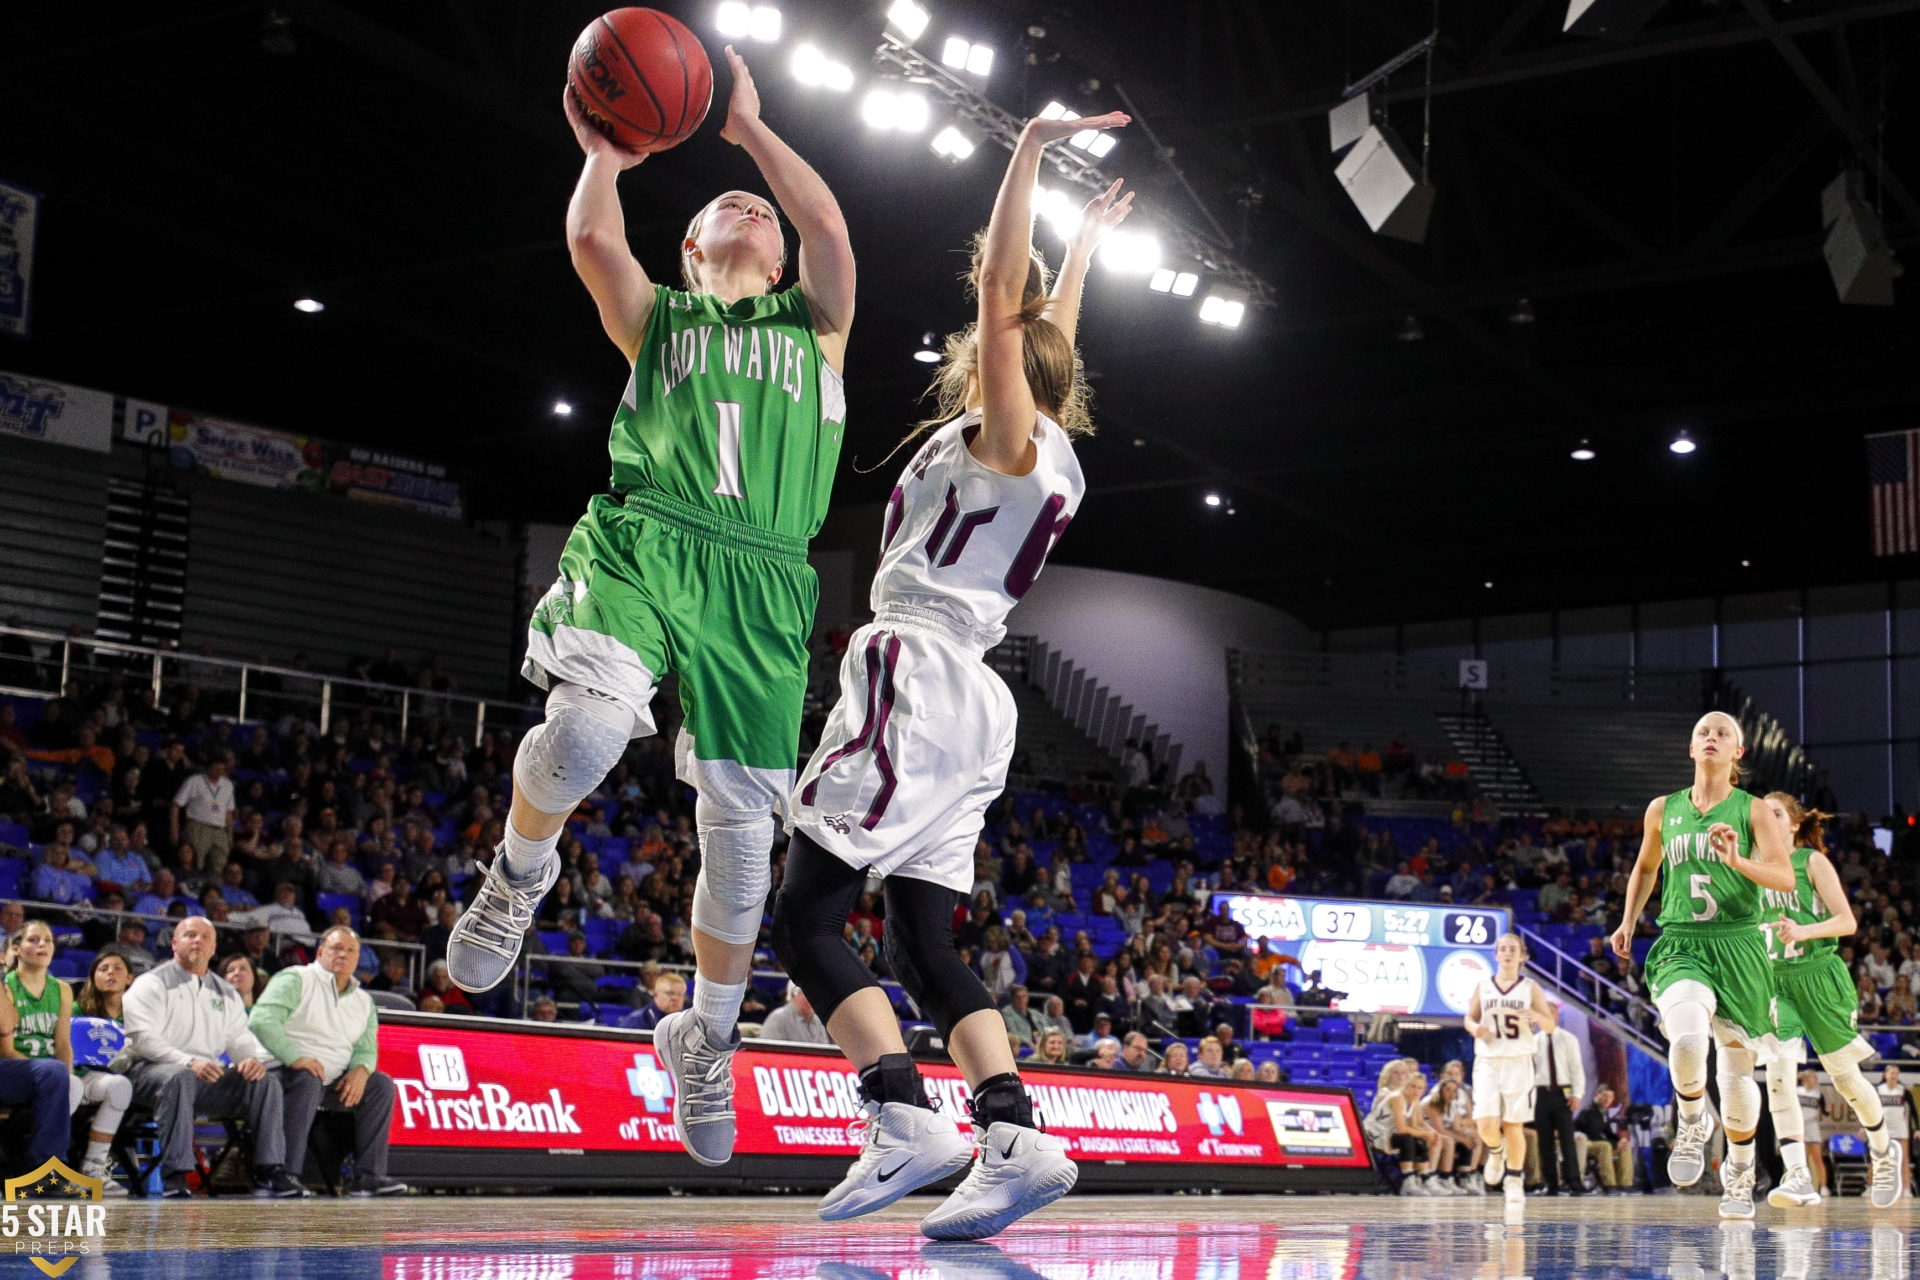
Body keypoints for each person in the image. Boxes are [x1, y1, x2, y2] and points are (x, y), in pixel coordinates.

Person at [446, 45, 858, 1178]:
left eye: (757, 210)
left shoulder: (815, 325)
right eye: (724, 205)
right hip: (650, 537)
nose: (749, 210)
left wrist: (753, 134)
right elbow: (591, 241)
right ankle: (516, 879)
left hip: (766, 580)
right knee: (581, 732)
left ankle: (707, 1041)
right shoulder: (661, 320)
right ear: (689, 246)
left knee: (740, 848)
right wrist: (601, 154)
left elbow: (827, 227)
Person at [763, 111, 1128, 1241]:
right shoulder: (1045, 443)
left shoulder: (1013, 427)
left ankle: (899, 1112)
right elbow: (1043, 314)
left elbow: (1004, 296)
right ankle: (1013, 1133)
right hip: (971, 696)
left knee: (806, 917)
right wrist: (1084, 254)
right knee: (927, 938)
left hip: (917, 670)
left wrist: (1027, 154)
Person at [1606, 711, 1800, 1218]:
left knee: (1737, 1080)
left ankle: (1739, 1172)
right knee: (1688, 1040)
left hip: (1738, 947)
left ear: (1737, 753)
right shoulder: (1661, 809)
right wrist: (1628, 920)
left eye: (1722, 734)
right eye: (1702, 733)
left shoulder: (1753, 811)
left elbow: (1784, 879)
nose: (1711, 738)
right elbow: (1647, 867)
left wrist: (1737, 862)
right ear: (1692, 749)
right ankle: (1692, 1119)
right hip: (1683, 943)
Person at [1758, 792, 1903, 1207]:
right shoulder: (1755, 868)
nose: (1767, 818)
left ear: (1794, 823)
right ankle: (1797, 1174)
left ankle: (1882, 1149)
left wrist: (1803, 931)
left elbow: (1847, 920)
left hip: (1819, 977)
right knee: (1779, 1075)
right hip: (1775, 982)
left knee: (1844, 1078)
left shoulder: (1812, 862)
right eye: (1762, 813)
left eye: (1777, 812)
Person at [120, 916, 304, 1198]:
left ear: (214, 946)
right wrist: (188, 1061)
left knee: (264, 1081)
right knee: (178, 1077)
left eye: (205, 937)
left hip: (206, 1076)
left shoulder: (226, 991)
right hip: (150, 1071)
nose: (198, 941)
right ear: (174, 943)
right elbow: (143, 1039)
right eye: (190, 935)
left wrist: (248, 1059)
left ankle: (269, 1170)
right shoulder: (150, 983)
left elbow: (239, 1039)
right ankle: (176, 1175)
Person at [249, 926, 407, 1197]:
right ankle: (285, 1174)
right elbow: (261, 1021)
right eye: (336, 948)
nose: (343, 955)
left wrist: (361, 1069)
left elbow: (366, 1049)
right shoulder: (295, 978)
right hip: (282, 1070)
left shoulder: (363, 1001)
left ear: (358, 959)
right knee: (308, 1078)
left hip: (331, 1078)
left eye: (350, 951)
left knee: (380, 1085)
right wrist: (294, 1057)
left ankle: (369, 1177)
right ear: (321, 952)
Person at [6, 921, 132, 1191]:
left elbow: (63, 1045)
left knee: (72, 1080)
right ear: (16, 948)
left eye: (48, 940)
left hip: (52, 1072)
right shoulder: (7, 986)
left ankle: (83, 1168)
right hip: (16, 1068)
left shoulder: (61, 989)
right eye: (33, 940)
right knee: (57, 1076)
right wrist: (54, 1075)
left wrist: (66, 1074)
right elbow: (5, 1049)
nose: (42, 945)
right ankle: (41, 1168)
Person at [1466, 932, 1558, 1206]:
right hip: (1488, 1059)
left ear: (1522, 956)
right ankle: (1496, 1151)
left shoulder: (1530, 987)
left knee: (1513, 1123)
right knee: (1486, 1124)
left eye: (1512, 949)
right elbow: (1469, 1018)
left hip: (1518, 1059)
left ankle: (1514, 1179)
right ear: (1496, 955)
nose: (1506, 953)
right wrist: (1474, 1028)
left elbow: (1551, 1025)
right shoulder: (1484, 986)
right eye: (1502, 949)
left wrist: (1537, 1016)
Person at [1529, 1004, 1586, 1196]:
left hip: (1562, 1093)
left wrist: (1577, 1094)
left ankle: (1574, 1183)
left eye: (1549, 1013)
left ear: (1556, 1015)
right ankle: (1550, 1183)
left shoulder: (1568, 1039)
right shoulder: (1534, 1041)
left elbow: (1576, 1068)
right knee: (1544, 1141)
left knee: (1567, 1140)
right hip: (1541, 1093)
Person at [171, 753, 235, 878]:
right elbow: (176, 805)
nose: (219, 772)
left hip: (219, 830)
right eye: (217, 769)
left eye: (222, 769)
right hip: (198, 826)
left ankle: (214, 894)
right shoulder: (194, 781)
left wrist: (230, 834)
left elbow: (229, 811)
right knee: (197, 862)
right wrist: (174, 830)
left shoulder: (228, 785)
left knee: (219, 865)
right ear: (210, 767)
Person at [1574, 1083, 1634, 1192]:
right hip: (1584, 1143)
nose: (1607, 1099)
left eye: (1610, 1097)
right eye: (1605, 1095)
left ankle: (1625, 1184)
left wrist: (1621, 1141)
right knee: (1605, 1146)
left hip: (1595, 1141)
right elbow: (1594, 1135)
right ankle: (1609, 1184)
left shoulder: (1603, 1111)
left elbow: (1608, 1132)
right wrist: (1615, 1144)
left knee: (1625, 1147)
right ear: (1597, 1095)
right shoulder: (1589, 1110)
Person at [759, 982, 830, 1044]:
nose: (811, 997)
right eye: (803, 992)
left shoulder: (818, 1020)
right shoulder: (778, 1018)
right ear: (792, 995)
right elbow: (769, 1053)